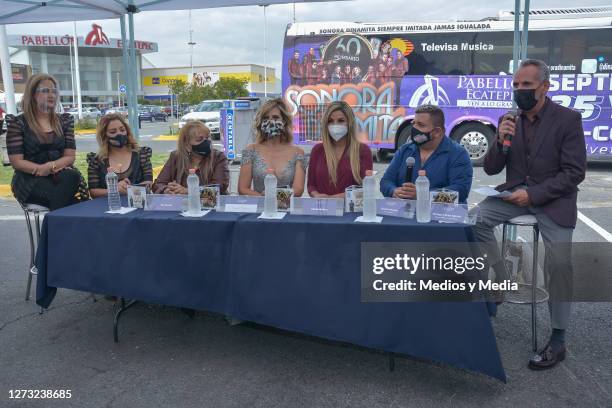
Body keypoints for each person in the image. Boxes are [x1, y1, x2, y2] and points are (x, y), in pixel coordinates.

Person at [472, 59, 586, 370]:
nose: (520, 91)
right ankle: (502, 279)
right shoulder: (510, 120)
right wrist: (499, 139)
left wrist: (534, 194)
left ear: (545, 87)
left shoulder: (567, 120)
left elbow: (574, 173)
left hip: (553, 200)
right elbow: (493, 167)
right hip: (513, 194)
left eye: (527, 86)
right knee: (477, 219)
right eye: (516, 85)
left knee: (560, 262)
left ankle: (558, 338)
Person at [6, 73, 88, 210]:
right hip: (30, 180)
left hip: (60, 177)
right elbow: (16, 162)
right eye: (45, 91)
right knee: (74, 205)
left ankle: (53, 226)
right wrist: (39, 169)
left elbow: (70, 157)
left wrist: (49, 167)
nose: (51, 95)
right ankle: (59, 224)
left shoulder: (65, 121)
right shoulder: (18, 123)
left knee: (72, 176)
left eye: (54, 91)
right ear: (33, 95)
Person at [380, 104, 472, 203]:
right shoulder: (405, 150)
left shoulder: (458, 154)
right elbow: (385, 181)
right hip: (405, 213)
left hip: (443, 215)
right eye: (414, 123)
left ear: (437, 132)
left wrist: (423, 195)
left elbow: (460, 192)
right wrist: (393, 191)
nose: (414, 128)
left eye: (421, 125)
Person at [238, 98, 306, 196]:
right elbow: (242, 189)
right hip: (260, 208)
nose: (270, 121)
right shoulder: (251, 150)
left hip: (287, 208)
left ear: (284, 121)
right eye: (266, 118)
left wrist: (275, 196)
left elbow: (298, 189)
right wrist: (265, 200)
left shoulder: (298, 153)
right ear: (261, 122)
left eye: (275, 117)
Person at [307, 101, 373, 197]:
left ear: (350, 123)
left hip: (350, 210)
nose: (335, 125)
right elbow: (311, 185)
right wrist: (317, 195)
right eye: (330, 121)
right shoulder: (317, 150)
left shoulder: (363, 150)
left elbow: (365, 188)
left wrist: (334, 199)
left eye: (341, 121)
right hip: (322, 208)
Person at [153, 121, 229, 194]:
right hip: (181, 205)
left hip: (212, 205)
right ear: (186, 145)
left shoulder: (218, 157)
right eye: (200, 139)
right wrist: (167, 190)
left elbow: (220, 187)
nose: (206, 142)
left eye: (207, 138)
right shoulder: (176, 157)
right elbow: (158, 184)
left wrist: (188, 191)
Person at [87, 113, 152, 198]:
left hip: (137, 203)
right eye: (113, 132)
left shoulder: (142, 154)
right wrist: (114, 190)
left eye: (122, 130)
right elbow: (93, 192)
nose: (119, 134)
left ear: (127, 131)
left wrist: (129, 189)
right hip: (108, 206)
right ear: (104, 136)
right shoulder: (96, 160)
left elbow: (149, 183)